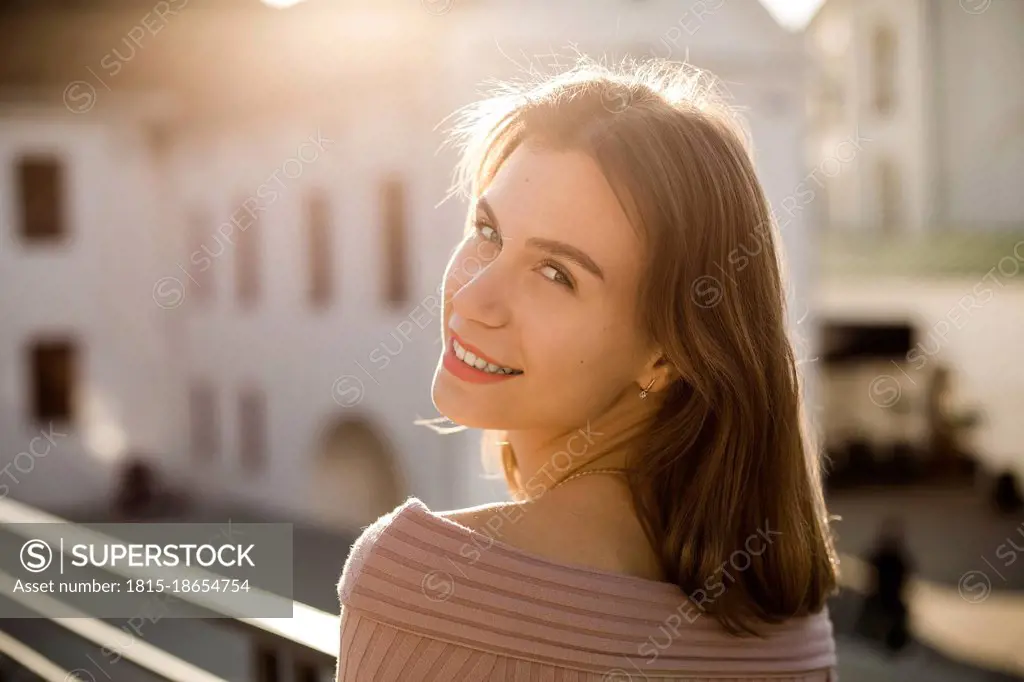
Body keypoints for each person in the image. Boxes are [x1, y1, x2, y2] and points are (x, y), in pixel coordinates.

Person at [335, 59, 839, 681]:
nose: (470, 298)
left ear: (668, 351)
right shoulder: (795, 626)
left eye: (556, 273)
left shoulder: (419, 583)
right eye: (488, 231)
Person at [856, 516, 913, 653]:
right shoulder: (885, 557)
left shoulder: (896, 559)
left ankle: (892, 643)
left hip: (889, 597)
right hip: (881, 596)